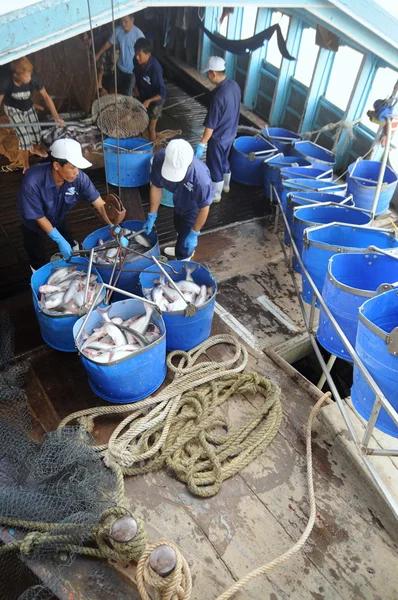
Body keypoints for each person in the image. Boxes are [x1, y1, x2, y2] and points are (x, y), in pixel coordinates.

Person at [17, 138, 112, 271]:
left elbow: (100, 204)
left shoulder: (79, 178)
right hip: (33, 219)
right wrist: (58, 239)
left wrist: (113, 225)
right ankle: (39, 272)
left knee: (67, 236)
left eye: (77, 167)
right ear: (56, 165)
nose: (76, 172)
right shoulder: (32, 181)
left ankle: (73, 254)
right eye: (72, 167)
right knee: (35, 250)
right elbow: (38, 216)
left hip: (58, 213)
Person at [143, 139, 214, 260]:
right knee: (178, 226)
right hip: (178, 200)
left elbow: (204, 208)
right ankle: (180, 246)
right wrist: (152, 215)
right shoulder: (160, 157)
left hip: (193, 207)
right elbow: (156, 186)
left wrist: (195, 233)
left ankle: (184, 258)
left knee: (185, 239)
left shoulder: (201, 179)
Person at [0, 57, 66, 173]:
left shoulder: (34, 79)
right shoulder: (6, 82)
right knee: (24, 137)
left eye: (30, 75)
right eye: (26, 76)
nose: (29, 78)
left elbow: (46, 97)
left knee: (36, 134)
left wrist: (57, 117)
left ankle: (33, 148)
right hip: (12, 108)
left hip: (28, 106)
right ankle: (26, 166)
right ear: (17, 75)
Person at [194, 56, 241, 202]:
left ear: (213, 73)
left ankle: (215, 195)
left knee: (214, 166)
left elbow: (210, 126)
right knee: (224, 162)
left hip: (218, 138)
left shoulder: (218, 97)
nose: (207, 76)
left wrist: (202, 144)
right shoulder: (234, 85)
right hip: (231, 134)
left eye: (208, 73)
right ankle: (226, 187)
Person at [95, 14, 144, 96]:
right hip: (119, 67)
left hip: (132, 71)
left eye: (126, 21)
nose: (123, 24)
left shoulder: (139, 35)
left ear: (132, 20)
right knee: (112, 89)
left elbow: (143, 56)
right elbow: (109, 43)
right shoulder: (118, 30)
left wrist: (139, 81)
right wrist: (98, 54)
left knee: (128, 94)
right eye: (122, 21)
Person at [133, 38, 166, 142]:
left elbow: (162, 93)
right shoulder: (136, 61)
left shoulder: (155, 69)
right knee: (139, 121)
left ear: (148, 54)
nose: (137, 57)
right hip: (143, 94)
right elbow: (136, 75)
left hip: (156, 100)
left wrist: (149, 101)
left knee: (151, 128)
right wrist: (136, 87)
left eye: (140, 55)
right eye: (135, 54)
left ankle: (151, 153)